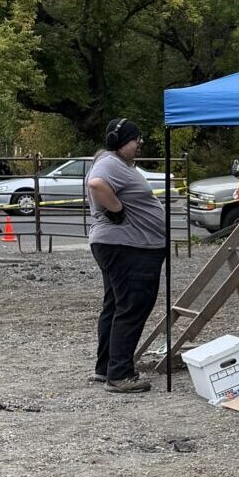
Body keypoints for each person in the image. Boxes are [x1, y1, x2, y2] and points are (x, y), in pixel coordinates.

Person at [86, 118, 168, 394]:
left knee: (116, 305)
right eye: (136, 140)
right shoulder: (110, 163)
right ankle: (119, 374)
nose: (140, 143)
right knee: (132, 306)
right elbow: (97, 185)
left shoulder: (115, 163)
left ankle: (106, 367)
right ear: (121, 143)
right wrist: (118, 210)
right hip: (128, 247)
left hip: (124, 245)